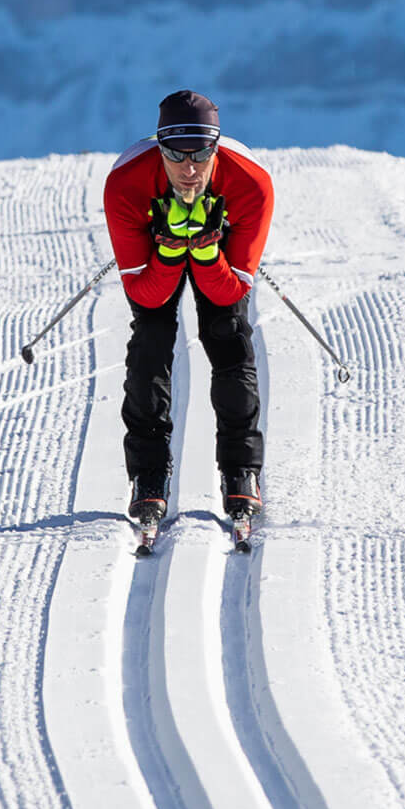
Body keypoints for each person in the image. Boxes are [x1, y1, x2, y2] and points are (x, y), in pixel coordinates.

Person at [102, 89, 275, 531]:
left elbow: (230, 291)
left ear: (216, 146)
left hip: (219, 247)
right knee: (151, 342)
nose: (189, 167)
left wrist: (206, 254)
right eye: (175, 154)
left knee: (228, 335)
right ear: (158, 147)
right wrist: (169, 251)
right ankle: (148, 474)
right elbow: (146, 296)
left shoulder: (251, 183)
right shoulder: (126, 182)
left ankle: (241, 469)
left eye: (201, 153)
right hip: (155, 245)